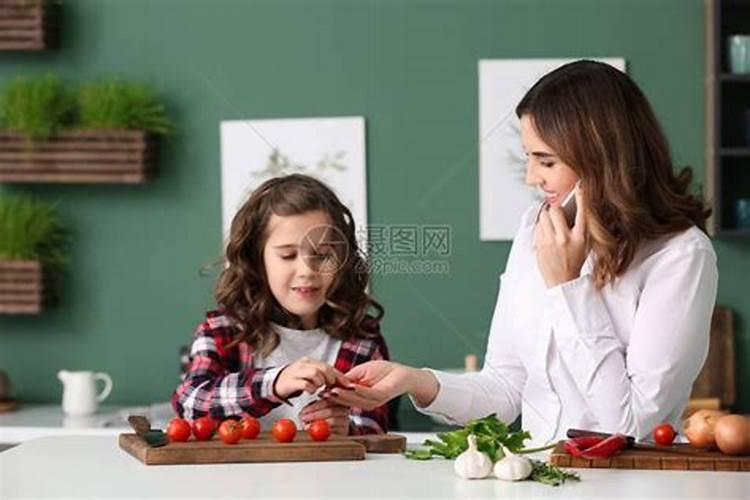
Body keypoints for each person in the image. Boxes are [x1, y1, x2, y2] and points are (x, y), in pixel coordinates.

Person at [326, 60, 718, 445]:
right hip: (538, 481)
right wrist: (415, 380)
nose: (532, 177)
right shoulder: (536, 227)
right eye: (529, 157)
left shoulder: (681, 256)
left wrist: (567, 288)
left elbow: (629, 423)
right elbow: (505, 388)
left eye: (546, 160)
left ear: (602, 159)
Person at [172, 174, 390, 435]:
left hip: (330, 475)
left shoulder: (362, 339)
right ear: (257, 260)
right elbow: (189, 403)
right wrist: (275, 382)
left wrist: (349, 429)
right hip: (236, 474)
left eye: (322, 255)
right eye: (287, 255)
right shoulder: (222, 329)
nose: (306, 270)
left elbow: (374, 427)